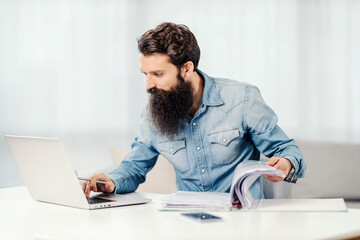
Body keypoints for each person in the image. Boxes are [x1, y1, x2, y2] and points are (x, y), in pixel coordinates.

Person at [82, 22, 306, 199]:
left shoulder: (242, 99)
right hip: (186, 222)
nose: (148, 85)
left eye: (158, 74)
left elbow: (287, 149)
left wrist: (286, 163)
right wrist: (111, 181)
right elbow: (134, 166)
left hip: (242, 221)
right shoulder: (153, 114)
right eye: (145, 74)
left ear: (187, 68)